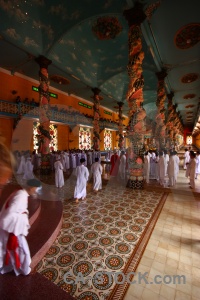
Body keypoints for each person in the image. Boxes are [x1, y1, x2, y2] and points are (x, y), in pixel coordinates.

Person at [0, 178, 41, 276]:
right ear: (31, 187)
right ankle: (25, 270)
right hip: (13, 229)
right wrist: (15, 228)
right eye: (35, 188)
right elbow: (10, 213)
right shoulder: (21, 196)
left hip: (10, 227)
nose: (36, 190)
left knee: (9, 248)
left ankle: (10, 267)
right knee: (22, 250)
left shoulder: (20, 192)